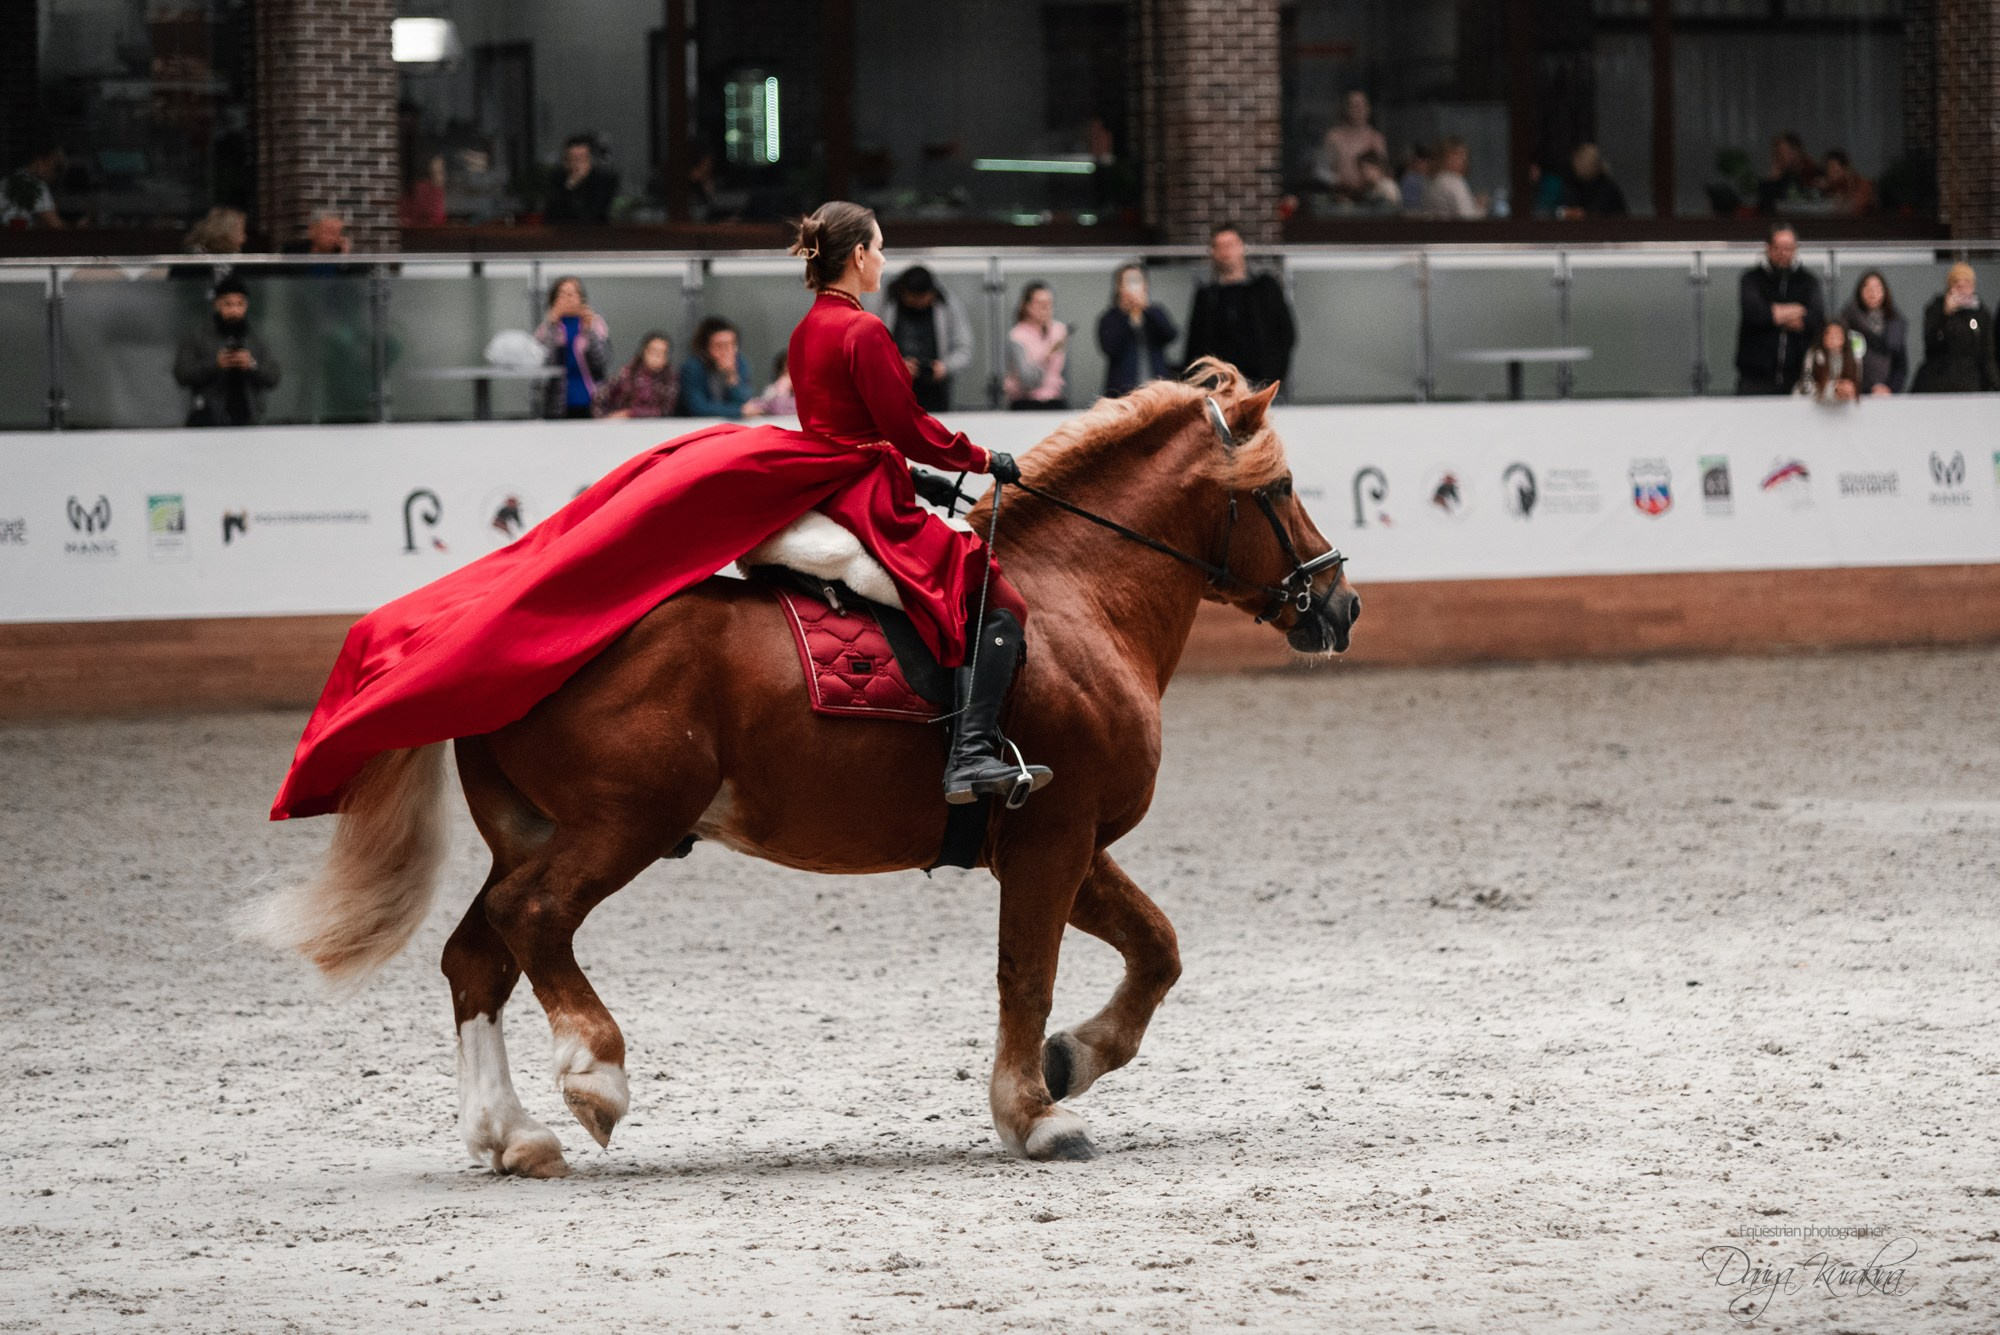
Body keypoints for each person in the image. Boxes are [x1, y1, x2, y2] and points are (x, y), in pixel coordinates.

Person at [269, 199, 1042, 822]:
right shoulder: (866, 329)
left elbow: (852, 431)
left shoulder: (813, 328)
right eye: (877, 245)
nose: (881, 256)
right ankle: (971, 753)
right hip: (860, 492)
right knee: (987, 590)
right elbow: (905, 425)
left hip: (838, 475)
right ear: (858, 255)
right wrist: (980, 459)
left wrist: (927, 480)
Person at [1183, 223, 1296, 389]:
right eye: (1219, 247)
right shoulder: (1207, 294)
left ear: (1242, 247)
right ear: (1212, 252)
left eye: (1230, 245)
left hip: (1261, 380)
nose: (1226, 252)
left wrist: (1275, 375)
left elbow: (1285, 332)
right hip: (1219, 383)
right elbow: (1195, 340)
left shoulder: (1265, 286)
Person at [172, 275, 282, 427]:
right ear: (217, 305)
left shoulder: (255, 338)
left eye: (239, 304)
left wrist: (251, 365)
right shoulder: (198, 336)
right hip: (207, 418)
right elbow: (182, 374)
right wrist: (215, 364)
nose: (234, 310)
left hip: (249, 419)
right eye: (228, 304)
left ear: (246, 306)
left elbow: (273, 377)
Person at [1733, 223, 1825, 395]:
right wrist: (1797, 309)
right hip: (1755, 377)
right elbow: (1757, 315)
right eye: (1778, 248)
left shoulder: (1808, 281)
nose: (1783, 253)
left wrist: (1775, 314)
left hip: (1797, 376)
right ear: (1768, 248)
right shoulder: (1752, 279)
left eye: (1788, 248)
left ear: (1796, 249)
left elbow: (1815, 320)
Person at [873, 265, 974, 412]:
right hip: (892, 389)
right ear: (902, 292)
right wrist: (895, 366)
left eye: (924, 298)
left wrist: (945, 367)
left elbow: (964, 348)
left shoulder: (947, 305)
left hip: (936, 392)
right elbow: (867, 348)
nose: (919, 303)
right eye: (914, 298)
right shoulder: (883, 305)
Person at [1911, 264, 1998, 394]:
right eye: (1957, 283)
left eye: (1966, 283)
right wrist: (1945, 314)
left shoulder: (1981, 314)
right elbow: (1931, 345)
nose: (1961, 288)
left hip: (1971, 382)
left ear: (1973, 286)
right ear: (1949, 286)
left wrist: (1996, 384)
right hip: (1939, 381)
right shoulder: (1937, 308)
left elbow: (1987, 355)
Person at [533, 275, 612, 419]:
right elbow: (544, 363)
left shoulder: (595, 324)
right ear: (553, 300)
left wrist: (589, 331)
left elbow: (601, 361)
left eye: (573, 293)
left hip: (591, 399)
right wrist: (551, 324)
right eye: (563, 294)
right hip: (557, 402)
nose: (568, 299)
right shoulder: (546, 329)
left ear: (581, 298)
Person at [1096, 264, 1179, 398]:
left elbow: (1170, 335)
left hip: (1157, 390)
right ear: (1119, 287)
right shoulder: (1110, 318)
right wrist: (1126, 316)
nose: (1133, 287)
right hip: (1123, 391)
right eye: (1129, 282)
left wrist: (1147, 310)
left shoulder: (1155, 312)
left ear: (1145, 285)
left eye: (1137, 281)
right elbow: (1110, 348)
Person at [1838, 271, 1907, 395]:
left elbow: (1900, 365)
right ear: (1859, 291)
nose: (1872, 292)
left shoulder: (1895, 323)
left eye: (1877, 287)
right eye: (1867, 287)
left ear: (1885, 292)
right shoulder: (1847, 321)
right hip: (1853, 392)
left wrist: (1890, 388)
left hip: (1885, 393)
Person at [679, 317, 761, 418]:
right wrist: (737, 411)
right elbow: (698, 407)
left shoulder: (740, 363)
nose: (727, 351)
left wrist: (731, 378)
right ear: (706, 348)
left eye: (732, 345)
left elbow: (744, 401)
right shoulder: (693, 367)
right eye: (720, 346)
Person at [1004, 282, 1069, 411]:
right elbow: (1027, 382)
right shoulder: (1017, 336)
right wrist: (1047, 356)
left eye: (1049, 303)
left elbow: (1064, 374)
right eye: (1040, 303)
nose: (1046, 308)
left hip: (1055, 401)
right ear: (1027, 306)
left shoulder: (1059, 331)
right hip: (1025, 403)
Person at [1313, 90, 1387, 199]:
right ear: (1346, 109)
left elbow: (1384, 171)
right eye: (1354, 105)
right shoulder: (1333, 137)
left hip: (1369, 197)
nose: (1359, 109)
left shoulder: (1376, 139)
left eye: (1362, 105)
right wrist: (1340, 181)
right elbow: (1320, 170)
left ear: (1368, 109)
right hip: (1340, 197)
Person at [594, 332, 678, 418]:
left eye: (662, 353)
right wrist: (604, 420)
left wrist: (632, 413)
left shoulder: (669, 379)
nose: (657, 357)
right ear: (644, 351)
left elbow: (666, 410)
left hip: (657, 425)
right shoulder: (627, 374)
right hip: (623, 425)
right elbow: (601, 396)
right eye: (653, 351)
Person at [545, 133, 617, 225]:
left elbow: (593, 214)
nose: (576, 164)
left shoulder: (605, 181)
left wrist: (578, 182)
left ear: (591, 159)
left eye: (581, 159)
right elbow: (551, 214)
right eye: (572, 159)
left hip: (596, 234)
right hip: (562, 234)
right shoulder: (558, 180)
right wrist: (570, 186)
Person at [2, 144, 67, 229]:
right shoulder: (36, 186)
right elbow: (56, 226)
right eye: (55, 168)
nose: (55, 176)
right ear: (39, 161)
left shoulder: (7, 181)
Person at [1795, 321, 1860, 404]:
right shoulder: (1813, 354)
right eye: (1829, 334)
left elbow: (1857, 385)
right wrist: (1832, 389)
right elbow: (1805, 383)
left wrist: (1849, 389)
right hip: (1810, 404)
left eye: (1838, 334)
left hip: (1842, 406)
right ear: (1823, 337)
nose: (1833, 338)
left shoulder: (1853, 359)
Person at [1557, 143, 1627, 217]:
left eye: (1583, 160)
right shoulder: (1573, 182)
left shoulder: (1606, 187)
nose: (1576, 163)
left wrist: (1582, 213)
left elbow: (1597, 212)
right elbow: (1563, 210)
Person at [1421, 138, 1484, 219]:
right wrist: (1480, 208)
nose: (1463, 159)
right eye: (1457, 154)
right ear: (1442, 157)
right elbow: (1467, 218)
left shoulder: (1430, 181)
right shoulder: (1454, 181)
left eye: (1464, 154)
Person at [1756, 132, 1817, 214]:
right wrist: (1772, 181)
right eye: (1776, 153)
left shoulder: (1811, 171)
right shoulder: (1782, 175)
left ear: (1795, 151)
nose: (1778, 157)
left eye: (1781, 152)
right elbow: (1765, 207)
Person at [1819, 150, 1875, 215]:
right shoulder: (1835, 186)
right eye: (1828, 169)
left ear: (1845, 168)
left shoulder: (1864, 184)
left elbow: (1857, 208)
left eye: (1833, 168)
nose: (1830, 173)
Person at [401, 154, 448, 228]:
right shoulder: (420, 189)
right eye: (433, 173)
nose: (437, 177)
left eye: (440, 172)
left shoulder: (453, 192)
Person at [746, 351, 796, 417]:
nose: (789, 376)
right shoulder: (772, 391)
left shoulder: (804, 392)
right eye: (786, 370)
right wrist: (782, 390)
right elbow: (779, 411)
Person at [183, 206, 247, 256]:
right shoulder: (195, 258)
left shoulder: (237, 256)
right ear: (225, 232)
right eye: (240, 231)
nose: (245, 237)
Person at [281, 210, 350, 255]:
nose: (333, 238)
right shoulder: (293, 253)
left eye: (337, 233)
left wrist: (345, 258)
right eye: (329, 232)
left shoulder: (340, 257)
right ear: (313, 231)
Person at [1398, 144, 1433, 212]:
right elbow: (1411, 205)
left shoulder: (1425, 178)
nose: (1427, 166)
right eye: (1422, 162)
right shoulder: (1410, 179)